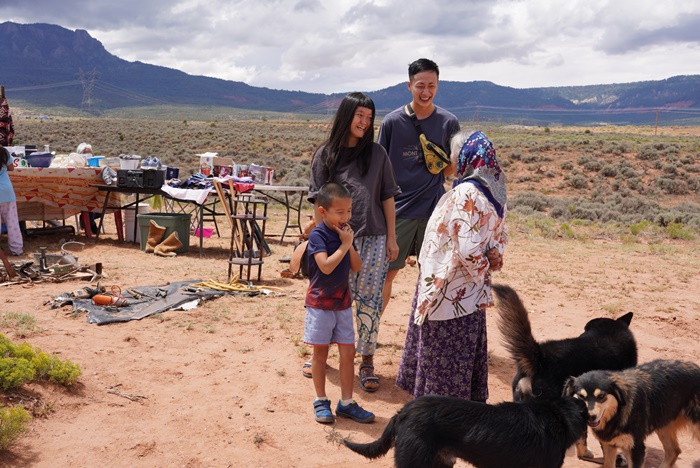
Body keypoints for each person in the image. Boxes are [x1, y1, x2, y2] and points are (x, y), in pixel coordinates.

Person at [395, 130, 508, 401]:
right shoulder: (497, 192)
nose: (453, 163)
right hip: (469, 296)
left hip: (447, 291)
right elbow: (499, 237)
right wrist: (492, 261)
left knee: (442, 359)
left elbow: (467, 248)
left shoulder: (465, 193)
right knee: (462, 355)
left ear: (465, 158)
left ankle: (438, 423)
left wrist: (481, 269)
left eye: (456, 158)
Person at [305, 92, 401, 392]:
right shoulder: (325, 155)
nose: (365, 121)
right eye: (360, 115)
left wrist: (392, 238)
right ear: (346, 116)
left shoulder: (377, 154)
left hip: (372, 238)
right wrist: (319, 241)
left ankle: (367, 359)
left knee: (370, 302)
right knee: (328, 299)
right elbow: (317, 202)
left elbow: (387, 197)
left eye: (369, 117)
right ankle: (319, 352)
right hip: (333, 241)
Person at [378, 58, 461, 314]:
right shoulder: (392, 122)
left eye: (431, 86)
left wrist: (439, 169)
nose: (426, 92)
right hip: (398, 211)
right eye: (420, 86)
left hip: (433, 210)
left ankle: (426, 340)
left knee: (432, 275)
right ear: (409, 86)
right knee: (385, 276)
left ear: (438, 85)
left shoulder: (449, 122)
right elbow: (379, 169)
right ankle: (368, 336)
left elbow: (454, 166)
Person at [304, 182, 374, 424]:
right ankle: (320, 400)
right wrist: (344, 245)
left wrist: (349, 242)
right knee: (320, 354)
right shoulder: (318, 235)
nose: (346, 216)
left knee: (347, 352)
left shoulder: (345, 233)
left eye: (349, 211)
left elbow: (356, 266)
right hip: (320, 304)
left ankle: (346, 402)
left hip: (343, 304)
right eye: (340, 212)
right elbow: (325, 266)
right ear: (323, 212)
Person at [0, 147, 23, 256]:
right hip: (6, 192)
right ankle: (17, 249)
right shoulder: (4, 152)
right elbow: (11, 168)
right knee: (12, 223)